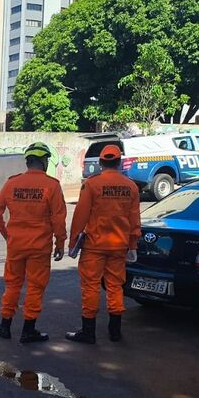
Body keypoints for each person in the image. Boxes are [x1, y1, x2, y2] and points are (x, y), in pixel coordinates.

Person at [0, 141, 68, 343]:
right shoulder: (52, 186)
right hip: (39, 247)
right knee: (35, 286)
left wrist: (6, 234)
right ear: (44, 161)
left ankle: (4, 326)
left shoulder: (12, 183)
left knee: (12, 284)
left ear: (28, 161)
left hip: (16, 244)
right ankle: (28, 330)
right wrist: (60, 244)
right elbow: (58, 219)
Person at [65, 144, 141, 344]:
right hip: (119, 246)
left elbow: (80, 216)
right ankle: (114, 331)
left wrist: (73, 243)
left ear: (100, 162)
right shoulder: (131, 186)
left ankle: (88, 332)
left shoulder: (92, 184)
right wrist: (133, 245)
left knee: (90, 287)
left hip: (94, 246)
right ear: (119, 162)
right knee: (115, 286)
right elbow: (135, 219)